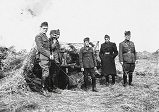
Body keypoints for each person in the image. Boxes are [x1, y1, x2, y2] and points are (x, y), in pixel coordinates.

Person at [35, 22, 52, 96]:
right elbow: (40, 48)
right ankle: (43, 89)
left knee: (46, 73)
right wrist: (49, 54)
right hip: (43, 57)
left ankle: (46, 88)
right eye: (44, 28)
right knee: (45, 72)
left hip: (47, 57)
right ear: (40, 28)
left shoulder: (45, 37)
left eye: (46, 28)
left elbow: (48, 47)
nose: (45, 30)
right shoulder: (38, 36)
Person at [49, 29, 61, 93]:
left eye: (58, 35)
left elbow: (58, 51)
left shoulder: (57, 41)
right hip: (53, 60)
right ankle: (53, 88)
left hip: (57, 60)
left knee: (56, 74)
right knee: (53, 74)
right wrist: (54, 42)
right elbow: (50, 48)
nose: (57, 36)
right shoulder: (50, 41)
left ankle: (54, 87)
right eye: (56, 35)